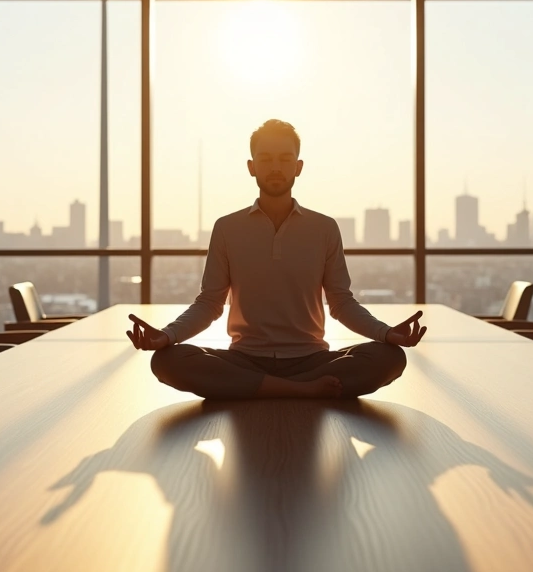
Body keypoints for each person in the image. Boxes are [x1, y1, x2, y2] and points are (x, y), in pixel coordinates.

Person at [126, 119, 426, 399]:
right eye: (266, 159)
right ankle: (300, 390)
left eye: (284, 159)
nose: (275, 167)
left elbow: (341, 302)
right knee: (167, 360)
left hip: (312, 359)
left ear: (298, 167)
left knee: (389, 357)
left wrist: (386, 333)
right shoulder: (227, 228)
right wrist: (168, 336)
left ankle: (265, 388)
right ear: (251, 167)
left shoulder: (324, 228)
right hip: (244, 358)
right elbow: (210, 303)